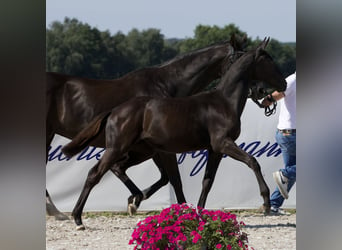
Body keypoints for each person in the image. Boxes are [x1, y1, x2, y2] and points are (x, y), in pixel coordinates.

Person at [262, 71, 296, 215]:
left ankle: (273, 205)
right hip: (292, 133)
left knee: (293, 172)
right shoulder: (294, 80)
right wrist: (269, 98)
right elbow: (279, 93)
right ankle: (284, 174)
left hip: (289, 133)